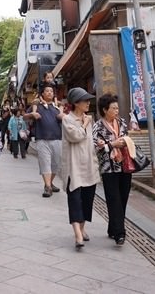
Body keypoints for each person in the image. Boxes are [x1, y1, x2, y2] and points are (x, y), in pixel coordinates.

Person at [60, 87, 101, 250]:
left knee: (87, 201)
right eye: (85, 100)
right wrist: (84, 124)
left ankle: (82, 229)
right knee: (75, 200)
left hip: (89, 166)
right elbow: (76, 136)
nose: (88, 103)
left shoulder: (88, 120)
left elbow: (89, 142)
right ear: (76, 103)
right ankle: (77, 235)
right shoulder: (67, 120)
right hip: (74, 167)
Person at [93, 93, 131, 246]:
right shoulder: (98, 126)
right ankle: (120, 233)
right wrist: (112, 145)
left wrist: (122, 142)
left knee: (123, 198)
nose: (117, 110)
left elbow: (127, 138)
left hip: (125, 165)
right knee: (113, 199)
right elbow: (96, 147)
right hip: (109, 168)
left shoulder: (122, 122)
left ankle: (112, 228)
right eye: (113, 108)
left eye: (117, 108)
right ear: (104, 110)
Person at [25, 83, 64, 197]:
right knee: (45, 163)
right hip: (42, 139)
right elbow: (24, 117)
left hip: (57, 138)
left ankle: (50, 183)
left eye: (51, 91)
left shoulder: (57, 106)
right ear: (42, 93)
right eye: (47, 91)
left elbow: (65, 118)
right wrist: (32, 114)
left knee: (56, 164)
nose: (49, 93)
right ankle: (47, 187)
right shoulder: (37, 105)